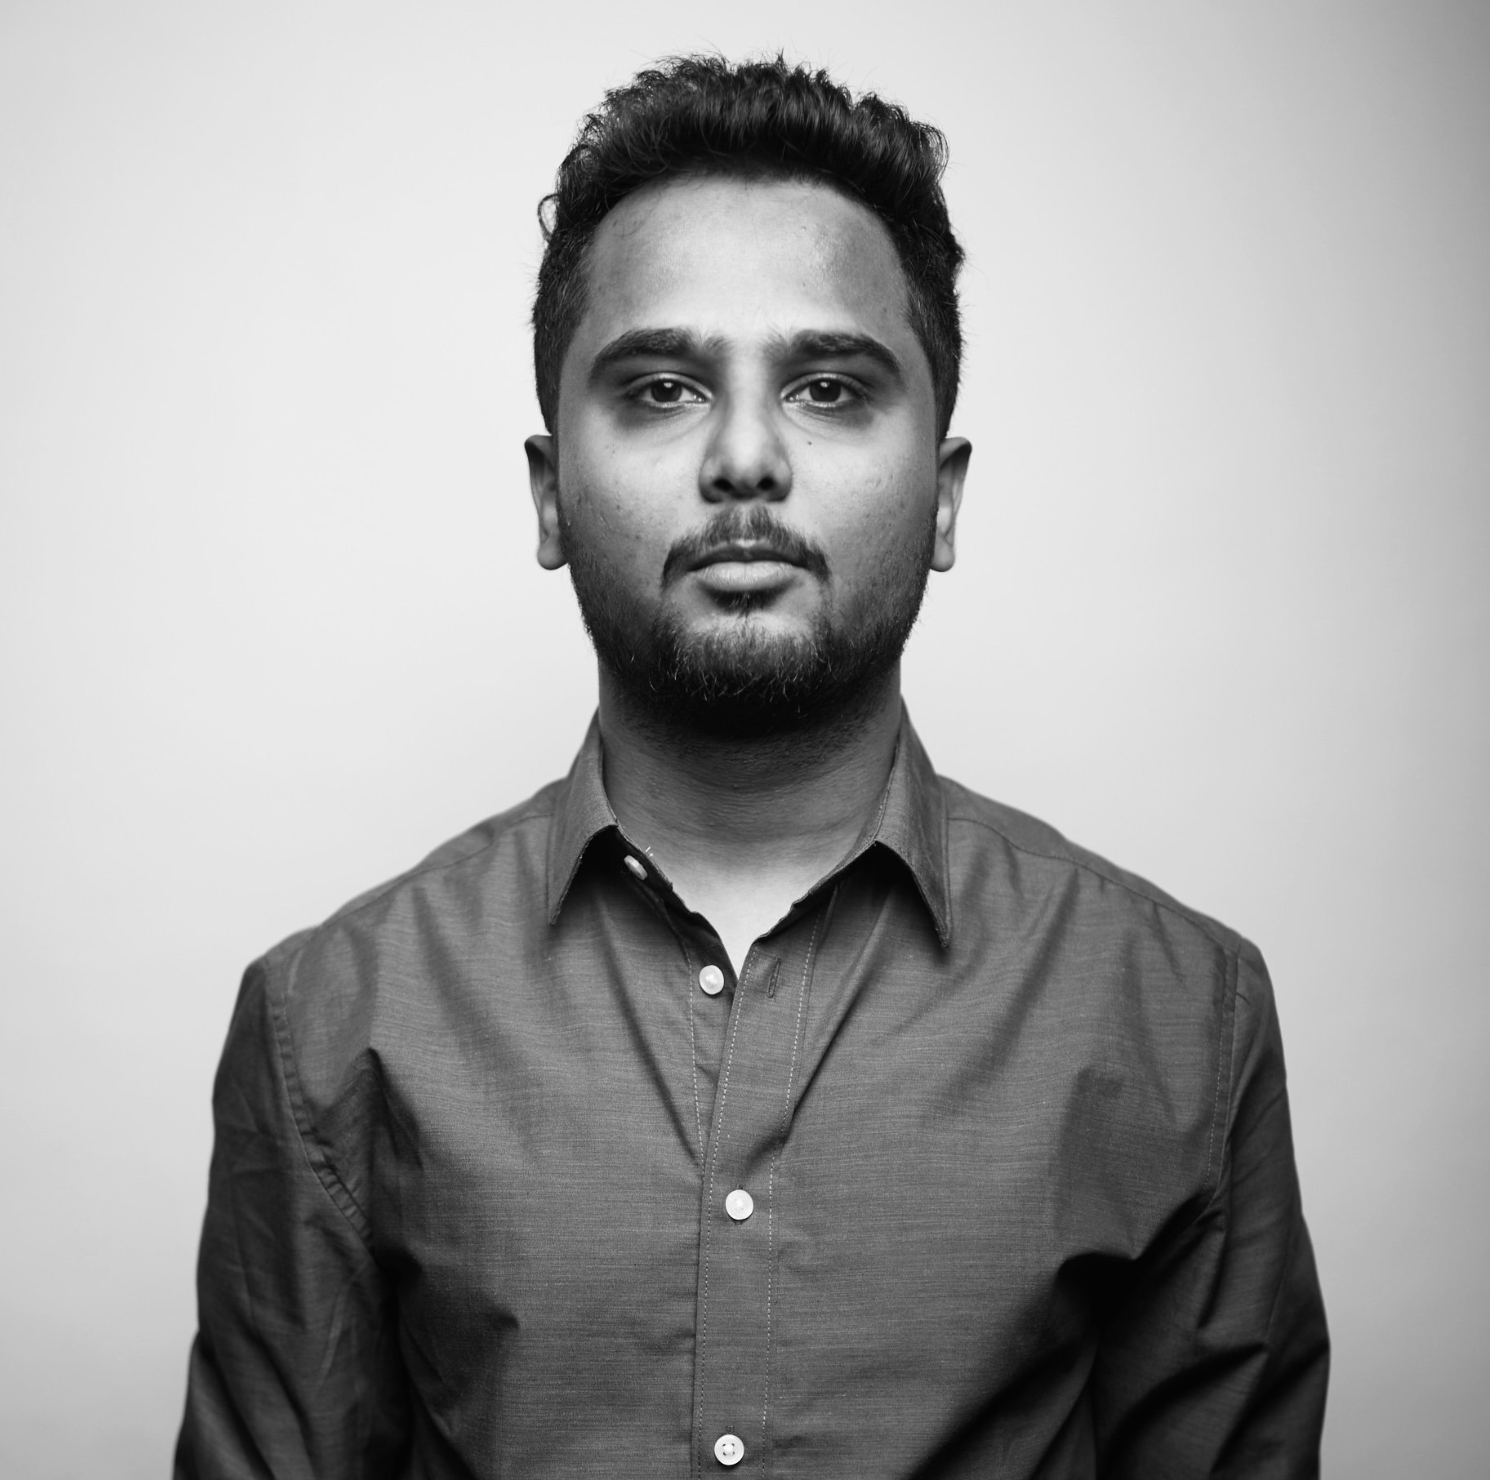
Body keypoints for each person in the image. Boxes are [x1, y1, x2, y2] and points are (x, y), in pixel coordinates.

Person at [176, 54, 1328, 1479]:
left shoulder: (1174, 1014)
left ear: (943, 494)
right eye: (659, 388)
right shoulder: (332, 1023)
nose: (742, 459)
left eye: (830, 389)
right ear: (549, 494)